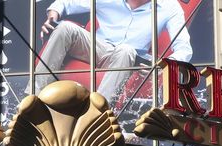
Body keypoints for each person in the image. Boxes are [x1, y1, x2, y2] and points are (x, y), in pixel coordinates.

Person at [35, 0, 193, 102]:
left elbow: (184, 48)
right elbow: (65, 3)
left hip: (130, 57)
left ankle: (98, 112)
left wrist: (161, 65)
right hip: (98, 46)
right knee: (64, 27)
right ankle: (34, 99)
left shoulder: (169, 6)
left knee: (126, 50)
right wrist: (53, 16)